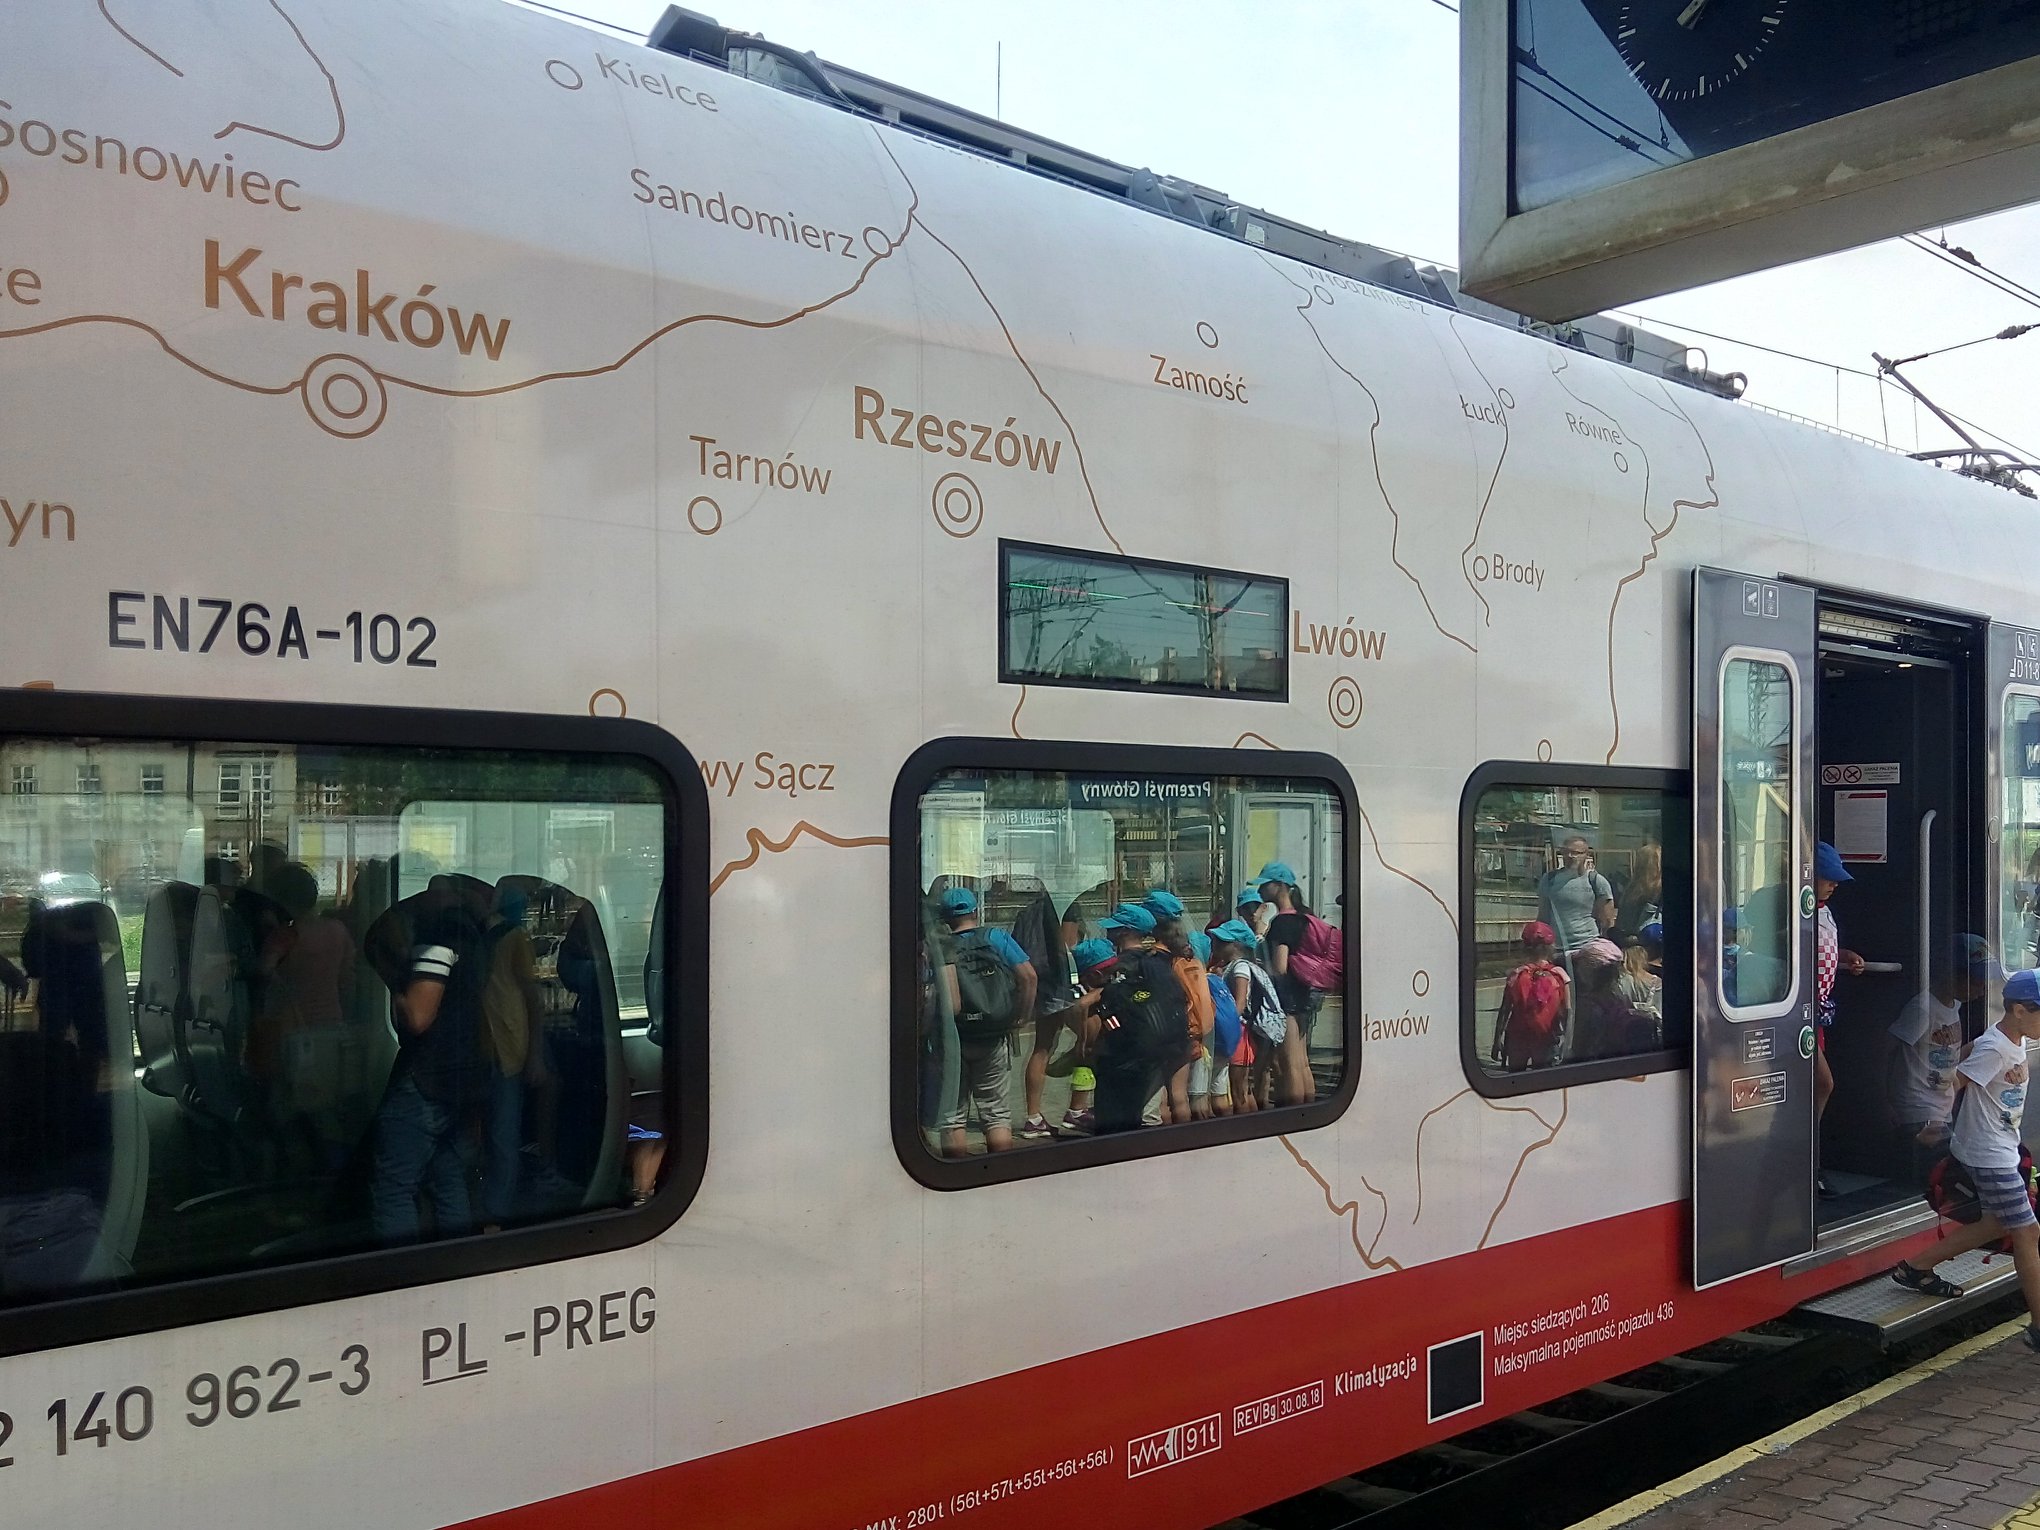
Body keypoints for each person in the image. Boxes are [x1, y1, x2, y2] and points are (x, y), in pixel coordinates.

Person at [1889, 968, 2040, 1349]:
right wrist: (1936, 1123)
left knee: (1996, 1222)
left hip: (2000, 1147)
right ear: (2019, 1010)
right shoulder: (1996, 1048)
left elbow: (1968, 1055)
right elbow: (1957, 1082)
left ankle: (1916, 1267)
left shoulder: (2009, 1039)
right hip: (1988, 1155)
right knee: (2027, 1232)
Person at [369, 879, 488, 1243]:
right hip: (461, 1080)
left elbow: (418, 1017)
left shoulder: (438, 940)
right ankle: (457, 1260)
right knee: (446, 1177)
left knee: (393, 1187)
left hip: (426, 1081)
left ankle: (400, 1269)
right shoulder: (474, 939)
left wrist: (394, 981)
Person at [933, 888, 1035, 1158]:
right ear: (976, 911)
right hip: (993, 1034)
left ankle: (956, 1174)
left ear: (945, 917)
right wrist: (1021, 1015)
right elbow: (1029, 977)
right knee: (996, 1113)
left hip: (954, 1037)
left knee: (952, 1117)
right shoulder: (995, 937)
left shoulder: (940, 946)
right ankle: (999, 1171)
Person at [1890, 935, 1999, 1183]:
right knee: (1942, 1181)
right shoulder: (1923, 1009)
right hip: (1919, 1112)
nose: (1983, 987)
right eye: (1977, 979)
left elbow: (1946, 1056)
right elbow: (1890, 1051)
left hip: (1940, 1109)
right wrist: (1888, 1105)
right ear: (1952, 974)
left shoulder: (1953, 1007)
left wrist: (1986, 1044)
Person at [1085, 919, 1193, 1134]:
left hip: (1137, 1049)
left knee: (1133, 1114)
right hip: (1173, 1039)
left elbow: (1092, 1005)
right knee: (1156, 1105)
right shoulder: (1160, 963)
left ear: (1125, 932)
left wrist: (1086, 1044)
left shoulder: (1126, 964)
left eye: (1113, 928)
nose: (1108, 932)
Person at [1814, 840, 1866, 1193]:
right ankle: (1808, 1159)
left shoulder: (1824, 911)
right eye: (1828, 877)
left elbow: (1823, 947)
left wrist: (1845, 955)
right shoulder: (1793, 909)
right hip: (1800, 1013)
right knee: (1822, 1083)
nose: (1834, 885)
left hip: (1818, 1013)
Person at [1257, 862, 1325, 1106]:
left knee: (1289, 1063)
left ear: (1279, 886)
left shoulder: (1282, 923)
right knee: (1302, 1061)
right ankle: (1309, 1109)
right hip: (1305, 993)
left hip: (1287, 997)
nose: (1260, 890)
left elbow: (1280, 966)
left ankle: (1295, 1114)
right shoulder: (1304, 917)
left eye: (1265, 885)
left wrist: (1261, 967)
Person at [1142, 890, 1211, 1122]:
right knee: (1180, 1095)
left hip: (1168, 1032)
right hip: (1192, 1029)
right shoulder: (1189, 953)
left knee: (1161, 1097)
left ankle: (1164, 1140)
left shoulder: (1157, 958)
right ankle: (1186, 1138)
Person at [1212, 917, 1286, 1110]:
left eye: (1223, 941)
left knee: (1239, 1088)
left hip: (1240, 1032)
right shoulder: (1232, 966)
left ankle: (1244, 1123)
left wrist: (1227, 1025)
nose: (1216, 944)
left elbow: (1240, 1002)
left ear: (1237, 946)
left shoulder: (1240, 967)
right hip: (1239, 1030)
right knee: (1243, 1087)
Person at [1492, 921, 1571, 1072]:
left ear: (1525, 947)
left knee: (1516, 1078)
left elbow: (1504, 1010)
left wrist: (1497, 1040)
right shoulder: (1560, 975)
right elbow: (1567, 1011)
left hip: (1517, 1037)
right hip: (1546, 1037)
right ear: (1551, 947)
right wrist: (1566, 1042)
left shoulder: (1516, 975)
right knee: (1542, 1078)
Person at [1538, 836, 1615, 962]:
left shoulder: (1596, 881)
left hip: (1588, 948)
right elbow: (1543, 917)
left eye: (1576, 853)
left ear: (1586, 855)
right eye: (1566, 852)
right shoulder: (1549, 879)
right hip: (1557, 949)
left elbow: (1607, 920)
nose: (1571, 856)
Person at [1615, 842, 1664, 939]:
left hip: (1629, 942)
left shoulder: (1631, 889)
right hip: (1652, 941)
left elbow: (1621, 923)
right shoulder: (1661, 889)